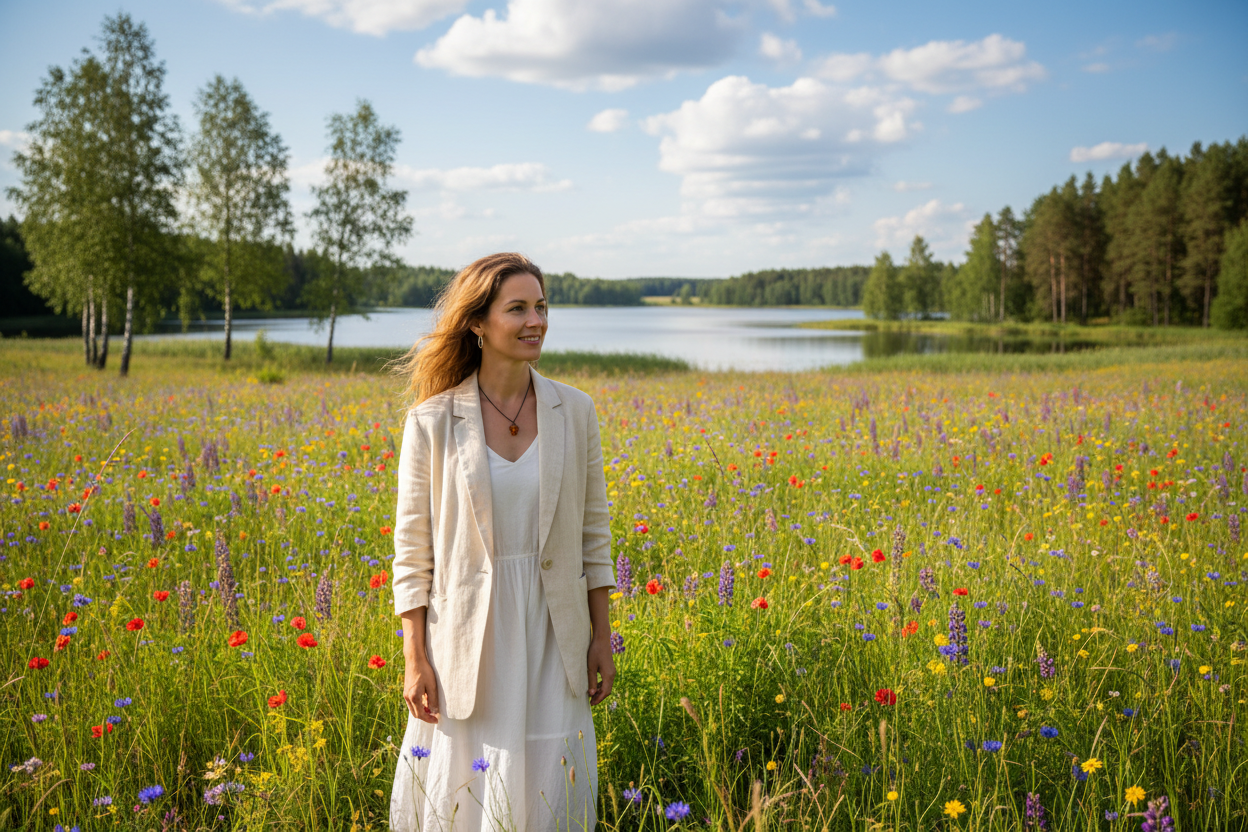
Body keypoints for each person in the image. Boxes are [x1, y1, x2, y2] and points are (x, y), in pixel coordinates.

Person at [388, 252, 616, 832]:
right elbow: (413, 554)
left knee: (547, 786)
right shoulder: (432, 421)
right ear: (477, 323)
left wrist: (602, 636)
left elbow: (594, 536)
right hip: (467, 639)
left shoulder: (576, 410)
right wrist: (415, 657)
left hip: (552, 632)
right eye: (517, 308)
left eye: (541, 306)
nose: (535, 320)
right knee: (467, 794)